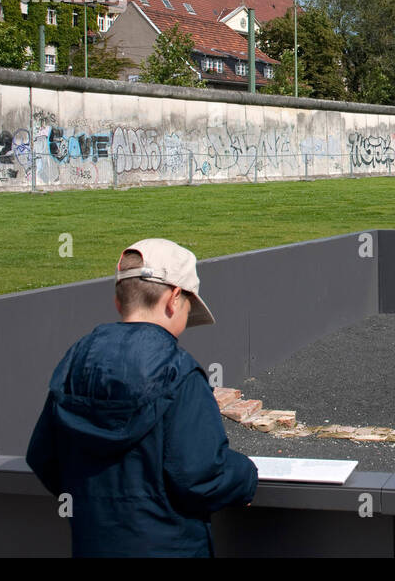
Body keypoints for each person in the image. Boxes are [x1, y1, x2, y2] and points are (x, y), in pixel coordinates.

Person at [27, 239, 258, 557]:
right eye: (189, 309)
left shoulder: (75, 361)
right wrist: (245, 474)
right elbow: (201, 476)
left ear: (118, 301)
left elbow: (42, 456)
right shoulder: (180, 372)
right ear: (174, 299)